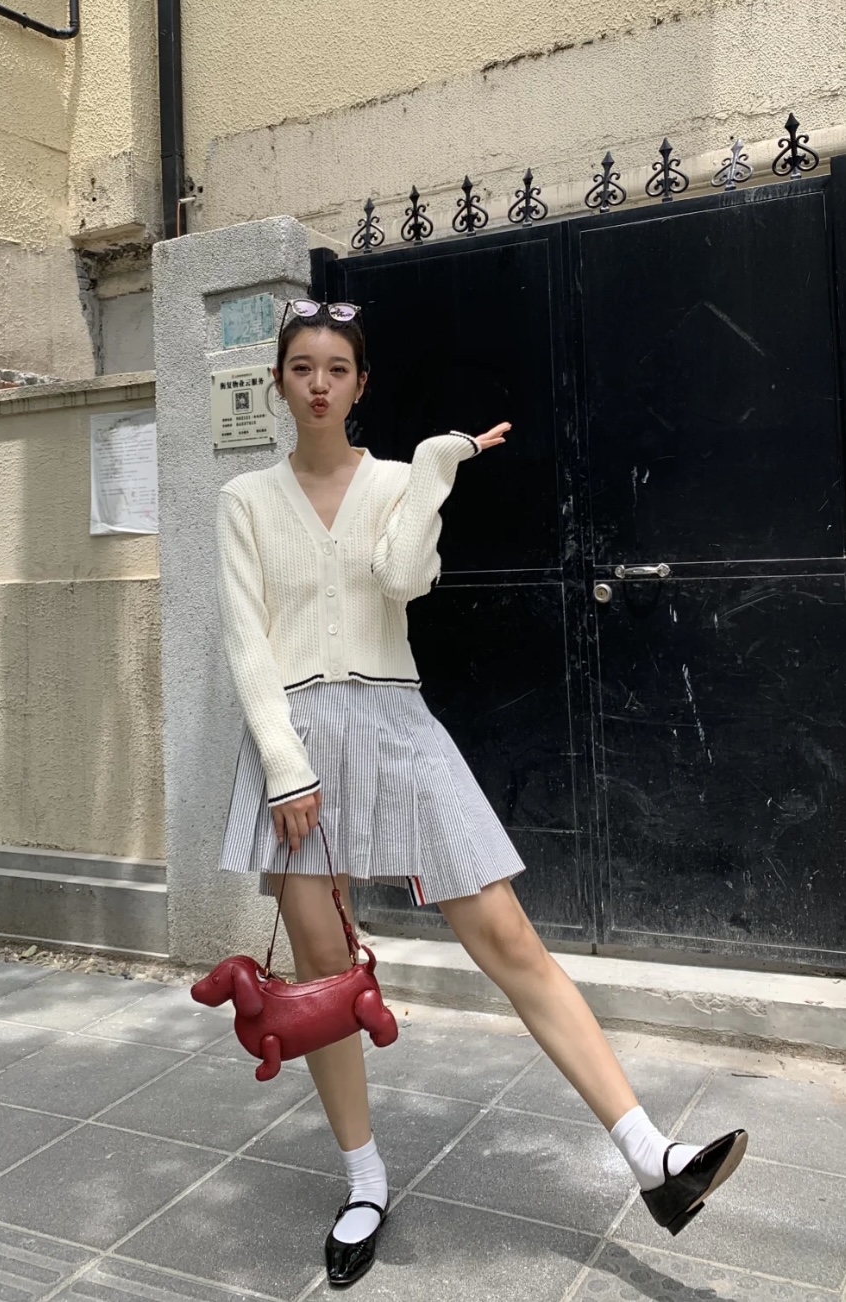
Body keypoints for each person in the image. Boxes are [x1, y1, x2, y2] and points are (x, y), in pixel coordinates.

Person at [215, 299, 747, 1288]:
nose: (320, 384)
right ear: (280, 380)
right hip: (295, 744)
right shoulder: (244, 499)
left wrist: (431, 471)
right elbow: (246, 642)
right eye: (302, 367)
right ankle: (363, 1181)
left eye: (338, 368)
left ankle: (653, 1159)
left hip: (395, 724)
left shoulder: (394, 480)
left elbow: (403, 580)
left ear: (360, 383)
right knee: (325, 978)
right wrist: (285, 767)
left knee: (508, 936)